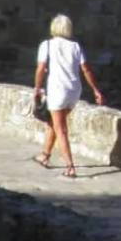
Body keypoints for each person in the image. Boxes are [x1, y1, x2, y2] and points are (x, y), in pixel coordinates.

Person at [33, 14, 103, 177]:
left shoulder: (47, 45)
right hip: (74, 90)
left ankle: (69, 166)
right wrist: (96, 90)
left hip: (57, 90)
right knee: (54, 122)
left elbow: (41, 68)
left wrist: (36, 87)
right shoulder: (75, 46)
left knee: (61, 128)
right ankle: (45, 155)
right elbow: (85, 70)